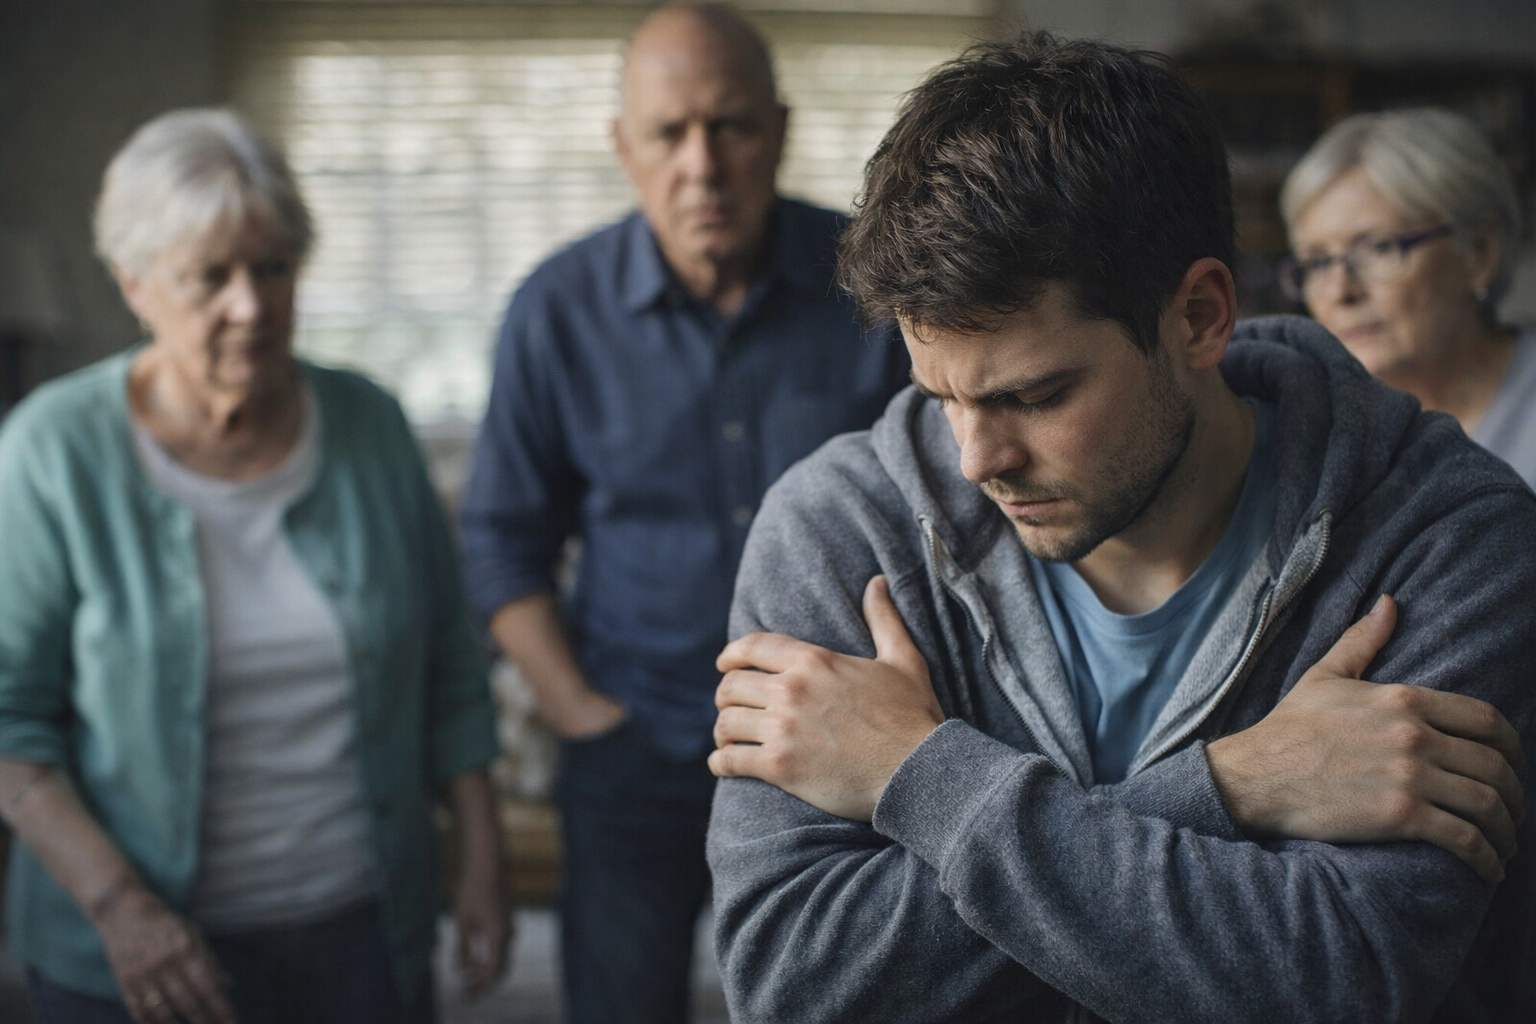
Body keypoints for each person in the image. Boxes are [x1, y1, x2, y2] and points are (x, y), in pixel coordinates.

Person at [706, 33, 1536, 1022]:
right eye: (941, 396)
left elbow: (1345, 977)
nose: (976, 460)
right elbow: (795, 986)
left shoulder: (1450, 538)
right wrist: (1228, 785)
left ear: (1200, 316)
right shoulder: (839, 531)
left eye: (1033, 396)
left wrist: (912, 774)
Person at [0, 108, 509, 1024]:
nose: (251, 305)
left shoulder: (369, 423)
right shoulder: (52, 450)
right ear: (136, 285)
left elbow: (450, 664)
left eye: (273, 268)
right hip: (131, 952)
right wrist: (122, 910)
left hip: (361, 933)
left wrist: (480, 858)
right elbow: (9, 718)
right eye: (212, 276)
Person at [456, 4, 908, 1022]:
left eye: (730, 125)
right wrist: (580, 712)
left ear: (779, 132)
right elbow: (499, 544)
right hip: (632, 743)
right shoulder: (556, 309)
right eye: (669, 132)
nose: (701, 165)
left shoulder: (874, 284)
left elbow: (947, 511)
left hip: (839, 745)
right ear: (625, 147)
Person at [1281, 108, 1534, 487]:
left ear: (1479, 254)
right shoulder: (1309, 435)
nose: (1340, 291)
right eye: (1317, 263)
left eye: (1379, 248)